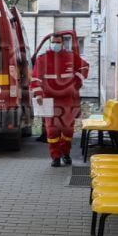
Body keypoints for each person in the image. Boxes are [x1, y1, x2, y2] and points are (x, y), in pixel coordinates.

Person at [29, 31, 89, 167]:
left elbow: (84, 67)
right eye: (53, 42)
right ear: (50, 43)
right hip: (49, 100)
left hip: (68, 100)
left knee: (67, 130)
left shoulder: (70, 56)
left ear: (62, 43)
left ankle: (65, 153)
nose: (55, 44)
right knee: (52, 130)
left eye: (58, 42)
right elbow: (36, 79)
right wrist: (38, 94)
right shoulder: (42, 59)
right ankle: (55, 157)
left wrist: (76, 83)